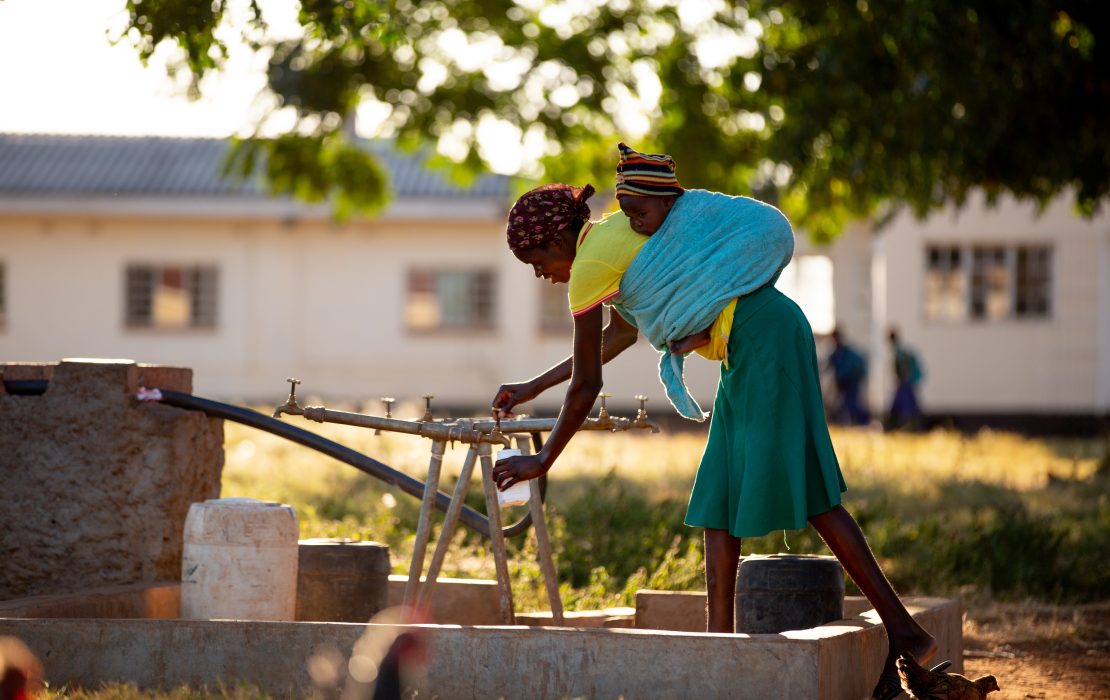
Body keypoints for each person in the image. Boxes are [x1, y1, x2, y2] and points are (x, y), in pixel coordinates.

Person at [491, 144, 938, 700]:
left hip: (760, 337)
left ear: (559, 241)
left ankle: (904, 632)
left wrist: (542, 459)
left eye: (538, 262)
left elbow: (588, 385)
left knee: (814, 494)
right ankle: (717, 646)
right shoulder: (613, 236)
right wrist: (534, 386)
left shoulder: (590, 267)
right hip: (753, 338)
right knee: (718, 499)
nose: (542, 276)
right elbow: (620, 335)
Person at [826, 327, 870, 425]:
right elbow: (829, 364)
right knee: (846, 403)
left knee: (852, 404)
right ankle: (856, 421)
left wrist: (842, 377)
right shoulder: (837, 352)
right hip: (844, 384)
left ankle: (864, 421)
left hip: (850, 383)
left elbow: (847, 368)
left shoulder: (846, 353)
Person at [887, 328, 925, 430]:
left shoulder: (899, 352)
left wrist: (901, 379)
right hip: (908, 382)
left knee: (905, 404)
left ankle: (907, 425)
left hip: (905, 382)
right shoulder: (899, 350)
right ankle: (912, 425)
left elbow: (902, 368)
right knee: (910, 404)